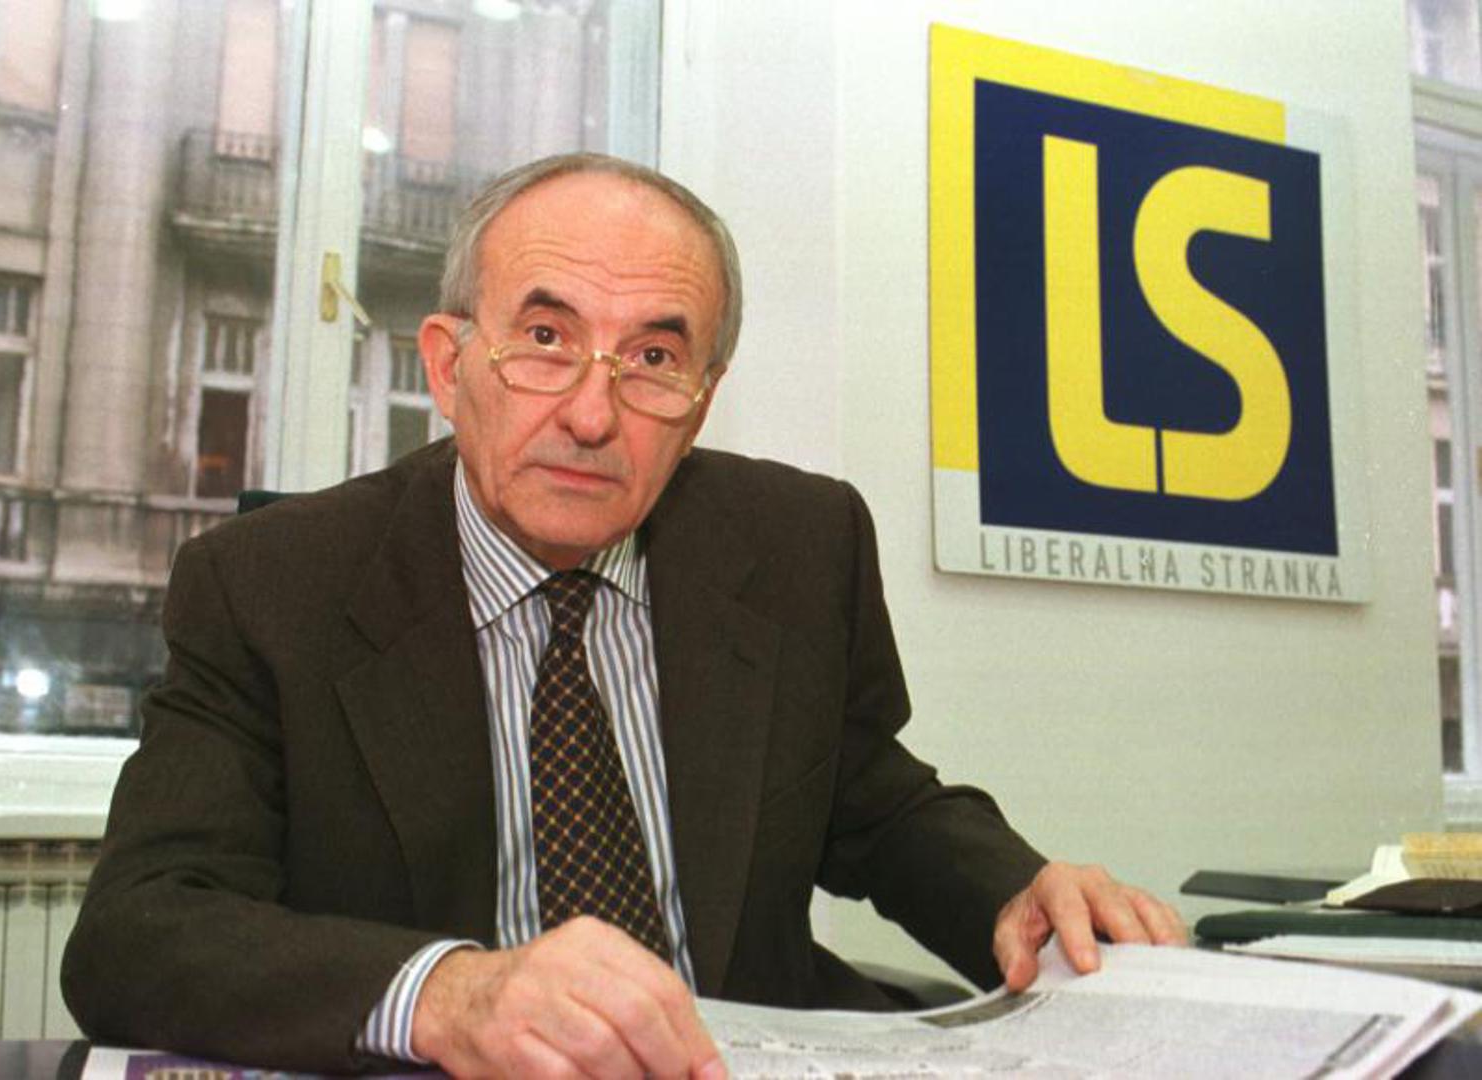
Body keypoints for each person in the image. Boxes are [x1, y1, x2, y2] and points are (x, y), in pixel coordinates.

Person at [61, 153, 1184, 1077]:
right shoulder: (272, 585)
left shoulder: (800, 544)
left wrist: (1015, 892)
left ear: (700, 402)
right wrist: (451, 995)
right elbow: (139, 931)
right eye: (546, 340)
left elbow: (871, 803)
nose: (594, 415)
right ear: (449, 368)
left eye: (653, 357)